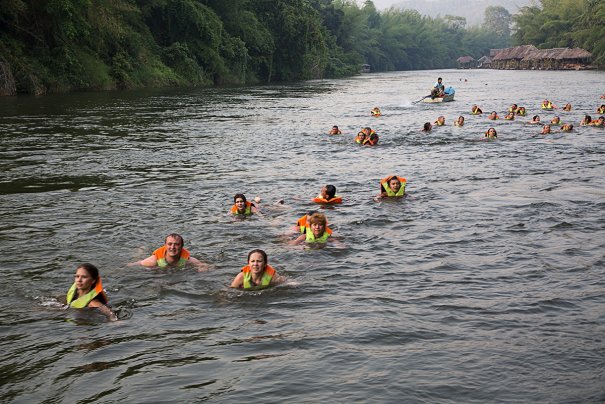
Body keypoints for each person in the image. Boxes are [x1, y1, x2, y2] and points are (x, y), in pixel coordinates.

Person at [130, 233, 209, 271]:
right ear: (165, 246)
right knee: (139, 257)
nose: (172, 247)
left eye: (176, 244)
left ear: (182, 246)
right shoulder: (153, 261)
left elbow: (206, 266)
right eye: (170, 244)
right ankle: (140, 250)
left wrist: (203, 268)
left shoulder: (188, 260)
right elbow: (136, 264)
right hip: (153, 262)